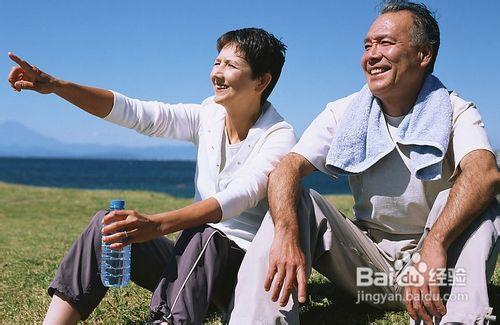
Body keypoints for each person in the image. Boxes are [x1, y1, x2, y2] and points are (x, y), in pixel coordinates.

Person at [229, 2, 499, 324]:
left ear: (424, 55)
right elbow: (287, 168)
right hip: (370, 269)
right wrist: (287, 233)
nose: (371, 55)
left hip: (437, 269)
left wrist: (435, 244)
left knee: (485, 203)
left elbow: (485, 174)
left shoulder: (456, 111)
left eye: (385, 43)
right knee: (296, 201)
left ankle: (458, 319)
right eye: (367, 45)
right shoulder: (346, 113)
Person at [7, 28, 296, 324]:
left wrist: (156, 224)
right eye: (216, 62)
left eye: (231, 65)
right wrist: (58, 86)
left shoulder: (279, 135)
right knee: (108, 224)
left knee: (205, 233)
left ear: (261, 80)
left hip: (240, 278)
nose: (217, 74)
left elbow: (239, 197)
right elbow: (138, 114)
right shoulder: (209, 114)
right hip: (192, 269)